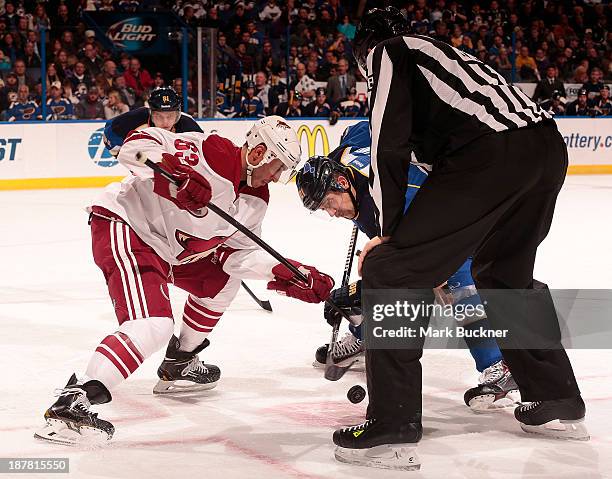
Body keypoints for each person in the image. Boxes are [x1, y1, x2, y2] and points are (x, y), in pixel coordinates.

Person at [330, 7, 587, 470]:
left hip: (492, 154)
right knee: (503, 275)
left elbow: (390, 146)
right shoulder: (449, 55)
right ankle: (556, 400)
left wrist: (389, 235)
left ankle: (392, 426)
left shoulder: (390, 54)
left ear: (363, 50)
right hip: (545, 146)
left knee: (391, 268)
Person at [34, 116, 333, 445]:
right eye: (277, 167)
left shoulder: (256, 198)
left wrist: (288, 272)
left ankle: (180, 361)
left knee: (222, 281)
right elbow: (133, 147)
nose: (278, 177)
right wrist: (173, 174)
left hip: (170, 250)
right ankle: (71, 404)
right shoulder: (205, 150)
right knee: (153, 324)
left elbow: (239, 255)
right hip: (129, 225)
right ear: (259, 152)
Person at [297, 120, 520, 412]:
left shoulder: (396, 196)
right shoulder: (343, 164)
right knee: (385, 269)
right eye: (323, 209)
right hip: (414, 215)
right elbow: (367, 126)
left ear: (342, 183)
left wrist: (359, 294)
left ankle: (499, 366)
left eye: (329, 202)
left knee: (455, 285)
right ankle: (365, 338)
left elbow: (421, 268)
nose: (333, 212)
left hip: (459, 219)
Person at [103, 87, 202, 157]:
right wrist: (117, 152)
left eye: (170, 116)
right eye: (159, 116)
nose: (165, 122)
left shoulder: (188, 124)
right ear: (151, 113)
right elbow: (109, 131)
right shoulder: (136, 118)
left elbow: (206, 148)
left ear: (177, 115)